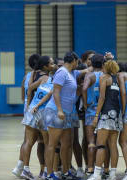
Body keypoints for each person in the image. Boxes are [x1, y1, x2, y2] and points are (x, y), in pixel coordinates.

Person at [44, 52, 92, 180]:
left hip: (68, 113)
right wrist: (59, 110)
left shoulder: (72, 73)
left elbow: (88, 69)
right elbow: (56, 92)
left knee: (67, 143)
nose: (78, 64)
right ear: (73, 61)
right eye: (77, 62)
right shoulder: (62, 72)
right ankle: (49, 174)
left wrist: (106, 59)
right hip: (56, 111)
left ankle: (66, 172)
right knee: (52, 144)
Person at [20, 56, 56, 180]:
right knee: (47, 144)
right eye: (51, 63)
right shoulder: (49, 79)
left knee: (29, 142)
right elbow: (30, 89)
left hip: (33, 111)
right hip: (43, 113)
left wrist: (29, 105)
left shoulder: (44, 78)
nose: (54, 64)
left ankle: (26, 170)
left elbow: (29, 88)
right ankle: (45, 171)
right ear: (45, 67)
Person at [87, 60, 121, 180]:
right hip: (116, 114)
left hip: (106, 113)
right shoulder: (117, 79)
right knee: (113, 145)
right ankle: (112, 174)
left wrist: (96, 115)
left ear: (105, 67)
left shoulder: (104, 78)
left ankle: (96, 174)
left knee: (100, 145)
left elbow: (102, 97)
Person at [12, 54, 40, 178]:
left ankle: (19, 166)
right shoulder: (41, 77)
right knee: (39, 142)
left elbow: (23, 96)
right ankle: (44, 169)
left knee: (26, 141)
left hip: (27, 110)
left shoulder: (26, 76)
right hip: (37, 111)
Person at [82, 54, 104, 176]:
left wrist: (85, 103)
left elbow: (84, 89)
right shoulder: (106, 76)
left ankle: (90, 168)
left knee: (91, 142)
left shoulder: (89, 75)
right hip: (103, 111)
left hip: (91, 111)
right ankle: (104, 169)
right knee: (103, 143)